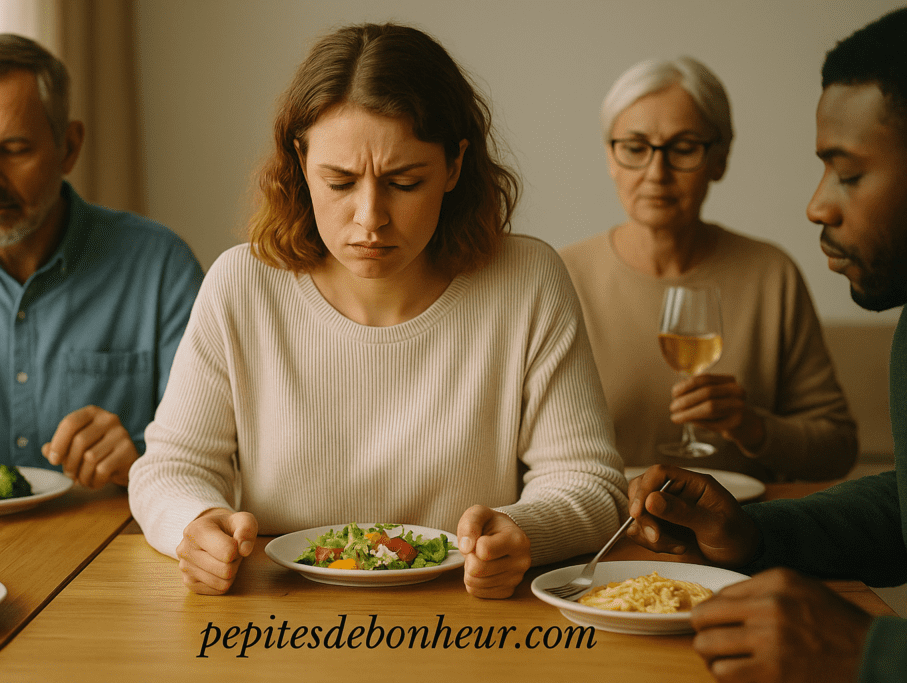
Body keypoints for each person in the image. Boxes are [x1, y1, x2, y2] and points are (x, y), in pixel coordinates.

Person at [128, 22, 627, 599]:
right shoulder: (242, 285)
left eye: (405, 182)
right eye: (339, 182)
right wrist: (192, 523)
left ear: (455, 166)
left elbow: (592, 483)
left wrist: (525, 531)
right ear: (300, 160)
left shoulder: (528, 282)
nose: (371, 218)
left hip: (469, 620)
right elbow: (169, 468)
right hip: (280, 619)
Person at [627, 9, 907, 682]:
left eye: (848, 173)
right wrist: (756, 533)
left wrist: (871, 652)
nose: (816, 206)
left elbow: (834, 439)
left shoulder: (770, 273)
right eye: (632, 145)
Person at [0, 34, 203, 489]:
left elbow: (217, 457)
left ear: (69, 147)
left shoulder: (160, 268)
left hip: (109, 550)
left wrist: (141, 457)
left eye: (15, 149)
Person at [559, 56, 857, 482]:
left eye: (683, 148)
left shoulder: (771, 275)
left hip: (744, 533)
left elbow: (837, 450)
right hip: (607, 531)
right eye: (635, 148)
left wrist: (751, 426)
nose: (656, 173)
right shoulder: (561, 276)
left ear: (720, 159)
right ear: (610, 157)